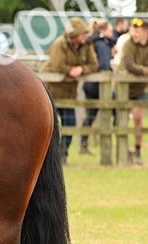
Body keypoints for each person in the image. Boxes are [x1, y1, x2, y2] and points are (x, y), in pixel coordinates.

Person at [42, 17, 98, 164]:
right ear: (74, 34)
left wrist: (81, 69)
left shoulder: (86, 45)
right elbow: (56, 66)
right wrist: (70, 71)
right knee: (51, 127)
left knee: (70, 123)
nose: (84, 37)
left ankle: (62, 155)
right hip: (51, 91)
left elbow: (94, 65)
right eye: (82, 34)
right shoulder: (59, 44)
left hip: (69, 92)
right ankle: (49, 159)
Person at [120, 17, 148, 165]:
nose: (134, 34)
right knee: (121, 119)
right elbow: (129, 65)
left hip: (139, 89)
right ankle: (123, 151)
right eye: (133, 30)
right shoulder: (128, 45)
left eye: (137, 31)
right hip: (123, 88)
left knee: (138, 118)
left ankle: (137, 149)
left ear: (146, 32)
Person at [82, 18, 116, 155]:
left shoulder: (94, 42)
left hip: (89, 84)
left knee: (90, 114)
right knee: (118, 107)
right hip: (98, 85)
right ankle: (115, 137)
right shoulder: (102, 45)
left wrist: (111, 56)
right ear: (102, 31)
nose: (112, 32)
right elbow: (103, 65)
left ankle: (83, 143)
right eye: (110, 30)